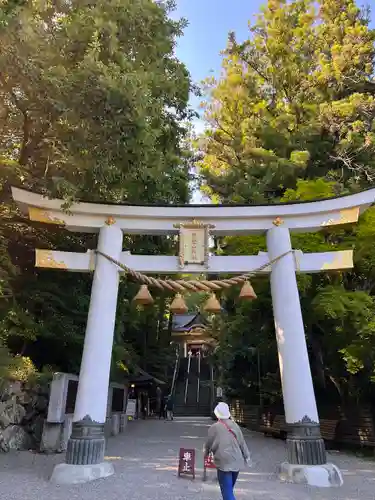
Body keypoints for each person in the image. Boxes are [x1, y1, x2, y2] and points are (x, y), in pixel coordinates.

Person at [204, 402, 251, 500]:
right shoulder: (235, 425)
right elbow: (242, 443)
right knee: (229, 490)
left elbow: (208, 444)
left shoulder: (214, 427)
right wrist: (247, 456)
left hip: (223, 462)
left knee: (227, 493)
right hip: (237, 462)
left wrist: (206, 454)